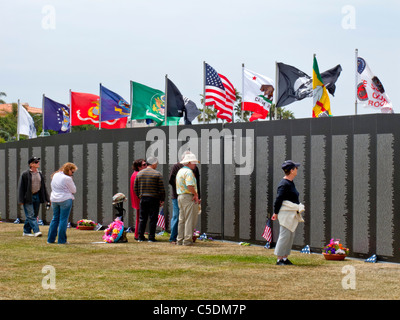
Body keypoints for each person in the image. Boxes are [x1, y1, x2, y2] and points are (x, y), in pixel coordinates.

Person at [271, 160, 304, 265]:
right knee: (284, 236)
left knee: (290, 236)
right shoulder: (284, 184)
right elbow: (279, 199)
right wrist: (275, 213)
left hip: (291, 214)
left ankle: (285, 258)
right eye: (295, 168)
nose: (297, 169)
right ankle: (279, 259)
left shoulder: (290, 182)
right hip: (286, 214)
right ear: (291, 170)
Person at [169, 151, 200, 244]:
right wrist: (195, 194)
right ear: (189, 162)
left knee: (182, 219)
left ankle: (179, 239)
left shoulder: (180, 171)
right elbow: (190, 185)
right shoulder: (189, 172)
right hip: (188, 196)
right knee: (189, 219)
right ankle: (187, 240)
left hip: (180, 196)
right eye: (194, 162)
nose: (195, 164)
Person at [134, 156, 165, 242]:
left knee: (142, 218)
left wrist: (139, 196)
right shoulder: (157, 174)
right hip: (154, 198)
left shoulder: (139, 174)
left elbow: (135, 188)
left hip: (143, 198)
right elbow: (161, 189)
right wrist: (162, 199)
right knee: (153, 218)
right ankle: (151, 237)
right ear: (154, 164)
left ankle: (140, 237)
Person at [18, 156, 50, 237]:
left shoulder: (40, 174)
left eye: (38, 162)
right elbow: (21, 188)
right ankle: (37, 231)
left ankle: (26, 231)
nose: (38, 163)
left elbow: (43, 187)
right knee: (31, 215)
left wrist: (47, 199)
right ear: (31, 164)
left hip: (37, 196)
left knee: (33, 215)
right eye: (36, 162)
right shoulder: (25, 174)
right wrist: (21, 200)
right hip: (28, 197)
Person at [47, 162, 77, 244]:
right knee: (63, 220)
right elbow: (74, 190)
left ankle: (50, 239)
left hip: (54, 199)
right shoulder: (67, 178)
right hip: (65, 199)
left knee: (55, 219)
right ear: (69, 170)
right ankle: (61, 240)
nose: (72, 174)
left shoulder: (56, 175)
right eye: (72, 172)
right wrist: (71, 179)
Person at [129, 158, 147, 240]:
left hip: (137, 199)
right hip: (139, 199)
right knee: (140, 218)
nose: (146, 166)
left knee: (139, 218)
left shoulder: (135, 174)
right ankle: (137, 234)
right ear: (139, 167)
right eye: (144, 164)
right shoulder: (138, 175)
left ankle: (138, 234)